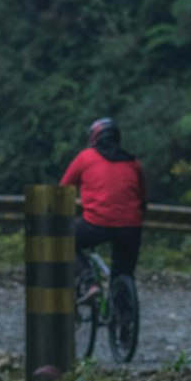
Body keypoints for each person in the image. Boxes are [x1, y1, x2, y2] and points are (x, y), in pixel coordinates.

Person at [60, 118, 147, 280]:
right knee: (123, 272)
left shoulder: (85, 157)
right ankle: (124, 292)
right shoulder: (133, 162)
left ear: (94, 138)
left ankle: (87, 278)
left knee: (61, 239)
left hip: (97, 224)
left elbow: (63, 189)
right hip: (131, 227)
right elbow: (142, 199)